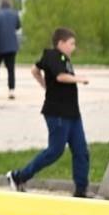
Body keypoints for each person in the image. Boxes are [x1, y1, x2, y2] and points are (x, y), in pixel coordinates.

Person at [6, 28, 91, 197]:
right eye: (71, 43)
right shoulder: (53, 56)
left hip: (72, 113)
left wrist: (45, 84)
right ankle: (18, 176)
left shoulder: (62, 58)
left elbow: (35, 69)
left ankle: (81, 190)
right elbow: (60, 77)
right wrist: (79, 79)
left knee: (81, 150)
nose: (73, 47)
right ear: (61, 43)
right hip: (58, 112)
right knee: (55, 151)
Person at [0, 0, 22, 99]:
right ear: (9, 4)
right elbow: (18, 26)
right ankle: (11, 90)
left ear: (0, 4)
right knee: (11, 69)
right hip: (11, 45)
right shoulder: (15, 14)